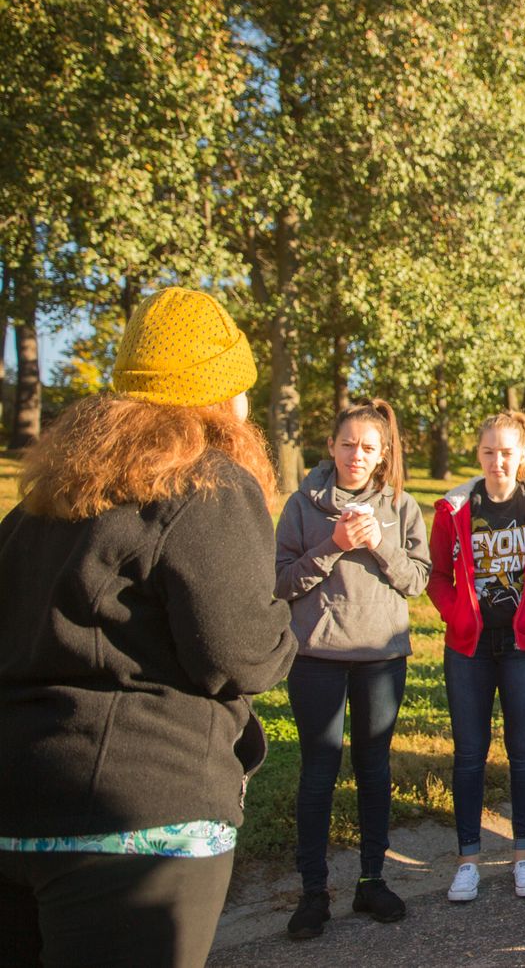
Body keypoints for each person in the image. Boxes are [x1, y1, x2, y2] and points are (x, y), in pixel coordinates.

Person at [0, 287, 296, 967]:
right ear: (225, 398)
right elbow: (239, 651)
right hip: (134, 823)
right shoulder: (208, 483)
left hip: (16, 807)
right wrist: (283, 627)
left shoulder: (50, 496)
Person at [275, 399, 431, 938]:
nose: (356, 455)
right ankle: (313, 892)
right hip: (317, 655)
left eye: (368, 447)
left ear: (383, 453)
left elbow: (416, 581)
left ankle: (372, 881)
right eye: (348, 444)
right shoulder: (301, 504)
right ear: (332, 447)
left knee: (373, 770)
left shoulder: (401, 505)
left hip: (381, 659)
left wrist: (379, 543)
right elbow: (281, 582)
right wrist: (334, 545)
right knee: (318, 772)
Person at [427, 410, 525, 903]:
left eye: (507, 452)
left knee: (524, 751)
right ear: (478, 455)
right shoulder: (454, 509)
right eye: (489, 452)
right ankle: (468, 860)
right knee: (469, 754)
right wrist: (456, 616)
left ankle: (524, 856)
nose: (498, 462)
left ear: (523, 455)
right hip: (468, 647)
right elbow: (436, 575)